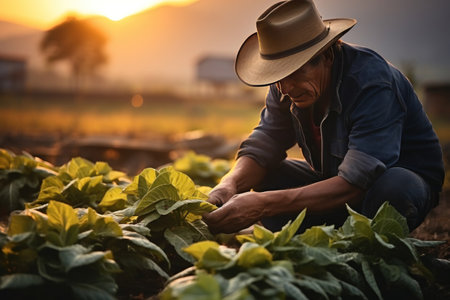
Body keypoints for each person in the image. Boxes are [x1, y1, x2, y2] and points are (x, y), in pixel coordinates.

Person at [202, 0, 445, 234]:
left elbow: (357, 179)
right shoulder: (284, 86)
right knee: (268, 175)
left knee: (393, 188)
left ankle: (364, 241)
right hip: (335, 183)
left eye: (295, 73)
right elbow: (265, 142)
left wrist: (264, 203)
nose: (286, 88)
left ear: (327, 55)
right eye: (278, 77)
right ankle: (333, 233)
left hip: (390, 185)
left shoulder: (371, 83)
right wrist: (229, 183)